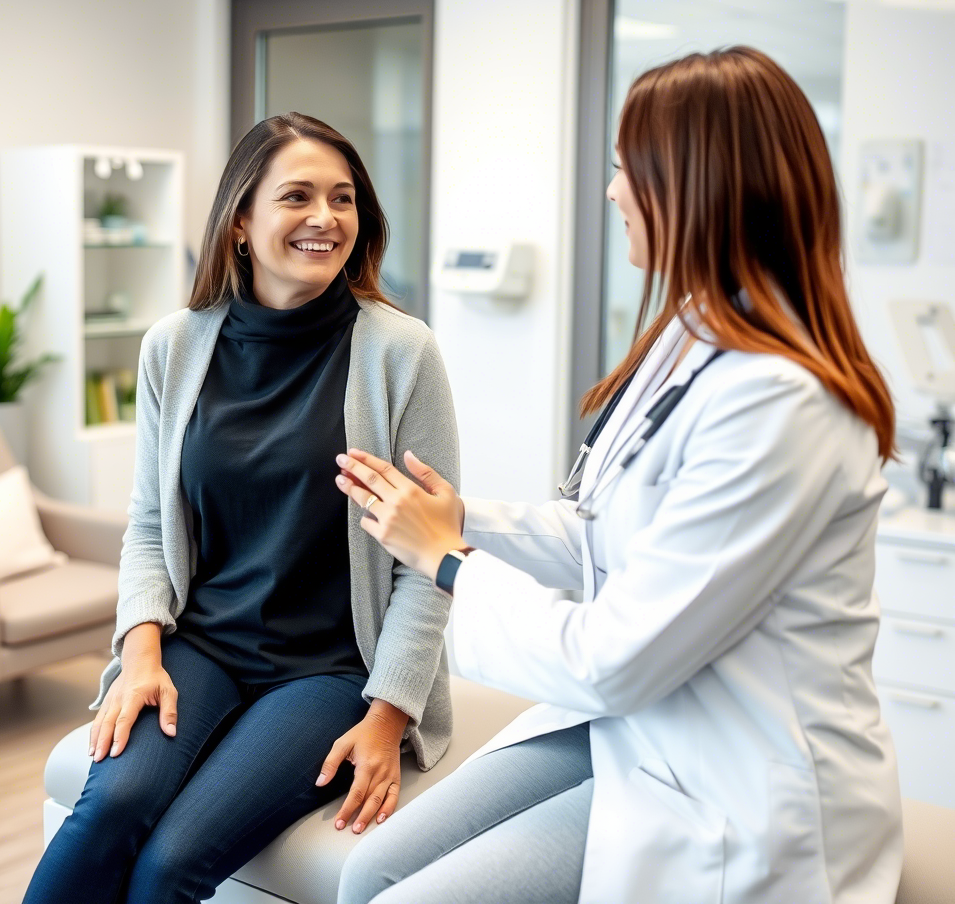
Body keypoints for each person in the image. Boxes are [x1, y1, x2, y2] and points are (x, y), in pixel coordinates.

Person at [334, 48, 903, 904]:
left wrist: (450, 562)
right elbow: (606, 536)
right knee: (370, 868)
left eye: (625, 169)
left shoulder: (786, 404)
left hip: (737, 777)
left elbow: (615, 660)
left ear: (700, 186)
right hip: (647, 727)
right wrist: (458, 520)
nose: (611, 193)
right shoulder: (692, 336)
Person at [23, 112, 457, 904]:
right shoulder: (175, 346)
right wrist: (143, 651)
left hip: (330, 668)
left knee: (169, 864)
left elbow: (429, 564)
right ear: (241, 224)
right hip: (203, 645)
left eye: (344, 198)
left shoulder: (402, 353)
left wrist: (390, 717)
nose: (326, 218)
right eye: (297, 196)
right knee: (110, 808)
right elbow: (151, 523)